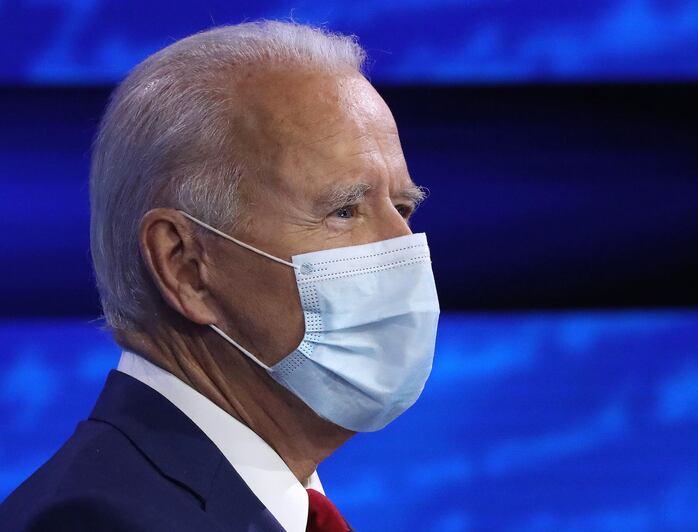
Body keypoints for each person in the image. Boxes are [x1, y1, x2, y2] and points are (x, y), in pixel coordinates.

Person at [0, 20, 440, 532]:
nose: (403, 248)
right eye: (344, 210)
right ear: (185, 266)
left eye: (404, 208)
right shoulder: (100, 521)